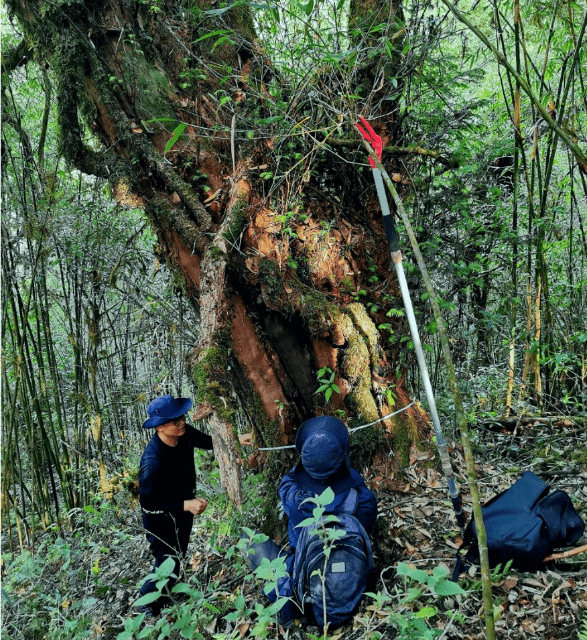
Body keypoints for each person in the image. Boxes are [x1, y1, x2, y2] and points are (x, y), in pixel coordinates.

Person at [244, 415, 377, 623]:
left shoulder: (293, 497)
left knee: (248, 539)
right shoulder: (361, 500)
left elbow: (289, 480)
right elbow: (366, 510)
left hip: (306, 600)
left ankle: (289, 605)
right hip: (352, 594)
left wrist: (308, 463)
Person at [137, 394, 251, 615]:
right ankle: (145, 603)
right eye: (175, 421)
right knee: (166, 560)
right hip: (160, 517)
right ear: (159, 427)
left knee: (177, 557)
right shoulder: (152, 462)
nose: (182, 423)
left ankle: (164, 596)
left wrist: (237, 439)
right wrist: (185, 505)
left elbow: (210, 443)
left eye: (182, 417)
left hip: (183, 509)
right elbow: (149, 502)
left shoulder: (185, 434)